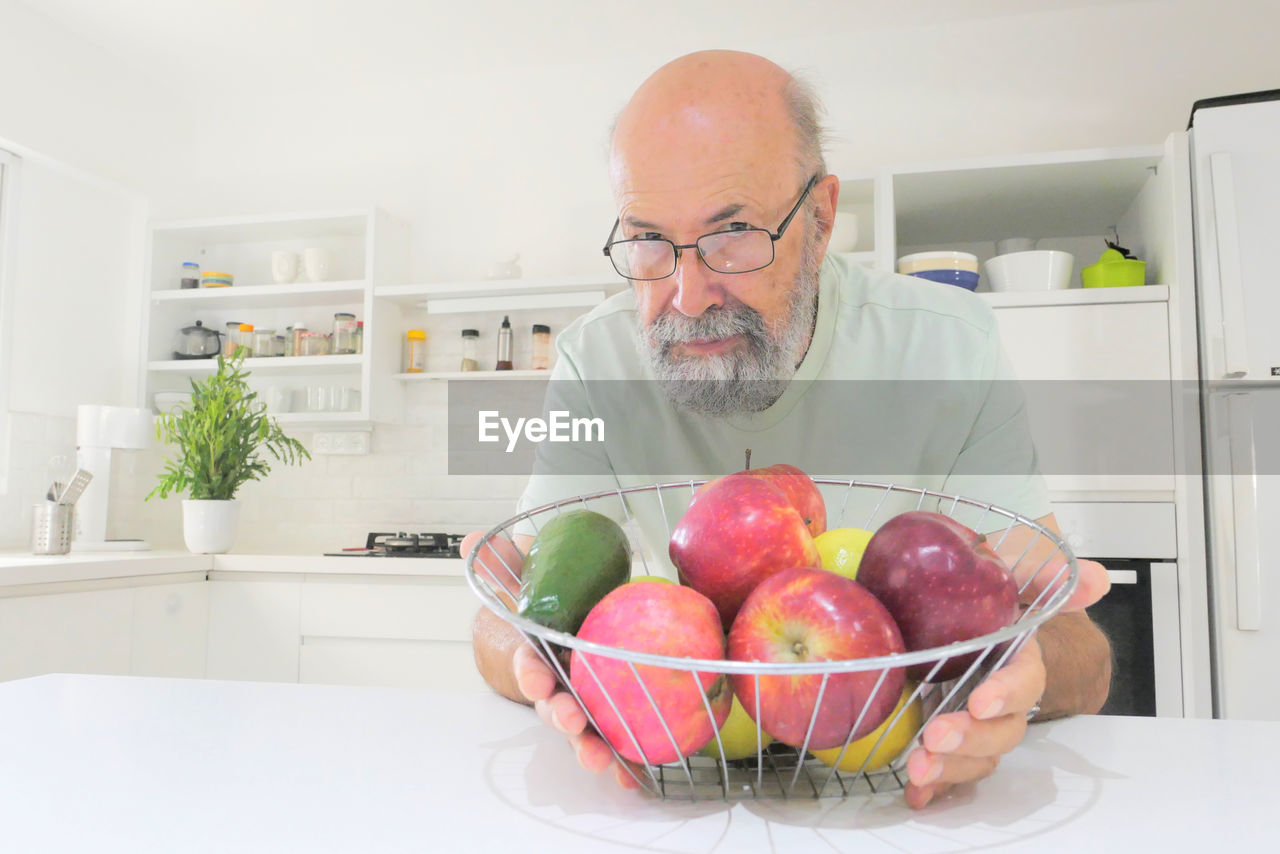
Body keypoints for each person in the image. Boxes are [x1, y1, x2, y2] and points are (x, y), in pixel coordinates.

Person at [468, 49, 1112, 810]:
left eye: (733, 231)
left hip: (902, 802)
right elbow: (501, 623)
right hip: (673, 798)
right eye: (646, 239)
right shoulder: (595, 361)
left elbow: (1084, 654)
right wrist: (542, 669)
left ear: (821, 216)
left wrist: (1018, 681)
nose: (688, 294)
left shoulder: (946, 346)